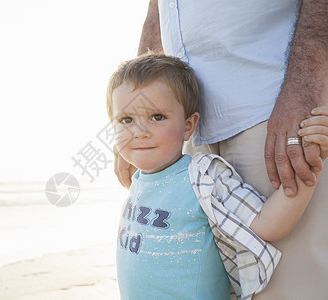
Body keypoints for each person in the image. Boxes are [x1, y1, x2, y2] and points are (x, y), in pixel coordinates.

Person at [114, 1, 328, 298]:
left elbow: (265, 225)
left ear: (188, 125)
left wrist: (310, 169)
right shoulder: (144, 177)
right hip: (202, 118)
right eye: (126, 119)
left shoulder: (202, 176)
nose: (139, 131)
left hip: (262, 96)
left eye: (157, 117)